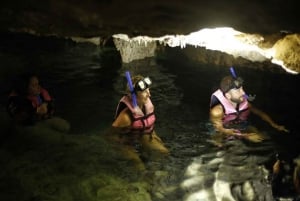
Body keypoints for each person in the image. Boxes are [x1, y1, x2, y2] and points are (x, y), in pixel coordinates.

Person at [105, 74, 169, 170]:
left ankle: (157, 169)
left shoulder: (147, 104)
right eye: (144, 92)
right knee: (139, 166)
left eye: (148, 90)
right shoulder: (126, 117)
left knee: (164, 153)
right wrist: (123, 148)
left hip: (142, 134)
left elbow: (147, 124)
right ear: (133, 95)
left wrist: (153, 135)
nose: (149, 94)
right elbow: (109, 136)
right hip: (126, 141)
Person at [209, 75, 289, 144]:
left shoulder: (245, 103)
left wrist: (274, 125)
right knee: (219, 143)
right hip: (224, 130)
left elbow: (259, 113)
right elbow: (220, 129)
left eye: (242, 89)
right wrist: (246, 136)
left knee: (262, 136)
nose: (243, 93)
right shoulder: (217, 111)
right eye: (238, 91)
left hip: (241, 125)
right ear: (228, 95)